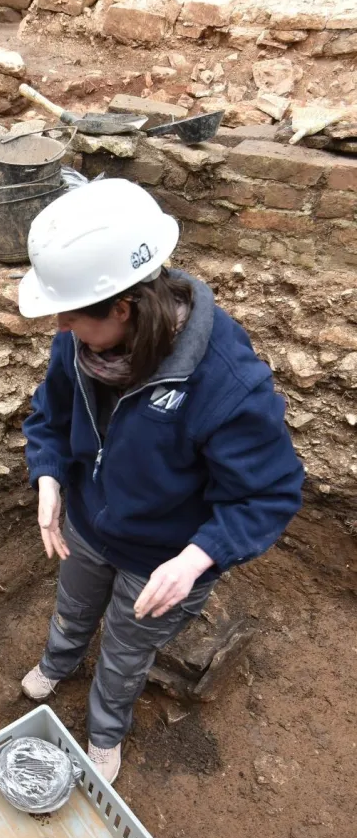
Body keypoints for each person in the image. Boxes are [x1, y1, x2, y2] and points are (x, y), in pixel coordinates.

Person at [19, 179, 304, 784]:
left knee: (126, 651)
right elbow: (51, 415)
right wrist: (48, 476)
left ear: (122, 309)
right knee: (72, 609)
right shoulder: (83, 345)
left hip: (163, 557)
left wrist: (197, 559)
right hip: (91, 524)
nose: (62, 325)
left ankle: (105, 730)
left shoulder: (224, 382)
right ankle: (58, 663)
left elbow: (269, 492)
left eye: (72, 314)